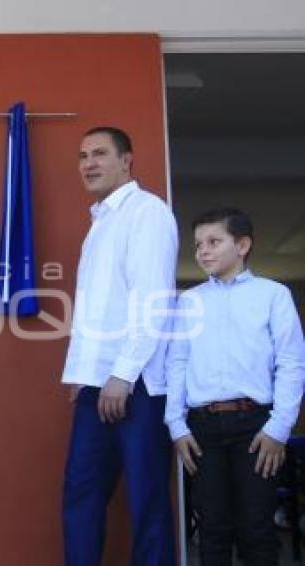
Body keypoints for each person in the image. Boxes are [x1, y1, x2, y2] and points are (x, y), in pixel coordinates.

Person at [61, 126, 178, 565]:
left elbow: (152, 301)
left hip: (137, 384)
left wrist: (123, 373)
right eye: (82, 155)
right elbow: (100, 309)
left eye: (99, 153)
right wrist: (84, 373)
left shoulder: (147, 213)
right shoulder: (102, 222)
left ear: (127, 161)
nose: (88, 163)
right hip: (99, 383)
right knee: (81, 492)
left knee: (146, 498)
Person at [165, 207, 305, 565]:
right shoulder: (188, 301)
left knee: (256, 530)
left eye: (214, 241)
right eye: (198, 245)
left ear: (242, 245)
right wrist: (176, 426)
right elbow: (177, 363)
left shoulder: (273, 295)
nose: (203, 251)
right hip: (201, 430)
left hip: (257, 428)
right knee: (211, 531)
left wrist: (279, 428)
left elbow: (292, 363)